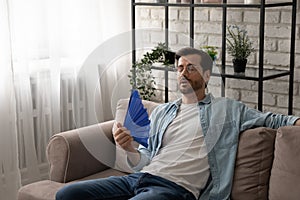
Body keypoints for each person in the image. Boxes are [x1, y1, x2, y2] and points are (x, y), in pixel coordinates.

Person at [56, 47, 300, 200]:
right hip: (139, 179)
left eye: (190, 68)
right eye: (179, 68)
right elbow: (146, 157)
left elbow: (276, 119)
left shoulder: (228, 109)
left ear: (206, 76)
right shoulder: (163, 112)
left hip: (174, 189)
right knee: (68, 193)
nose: (183, 73)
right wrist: (129, 149)